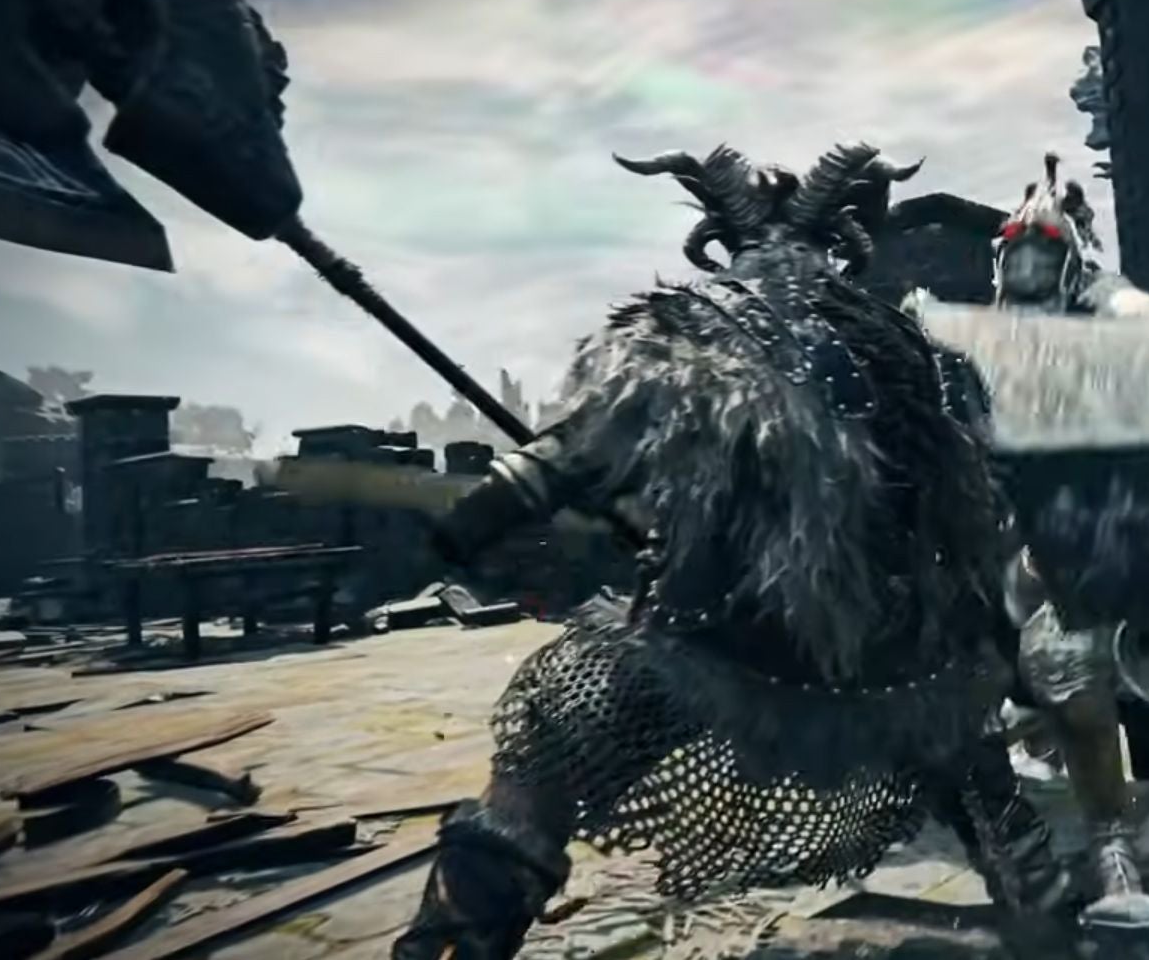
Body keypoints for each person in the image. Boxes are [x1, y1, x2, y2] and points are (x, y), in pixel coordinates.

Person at [392, 142, 1077, 960]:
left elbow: (578, 450)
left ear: (723, 243)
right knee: (982, 785)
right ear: (839, 248)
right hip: (912, 670)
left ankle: (453, 945)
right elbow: (987, 512)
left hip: (727, 650)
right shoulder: (924, 354)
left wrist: (474, 516)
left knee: (550, 739)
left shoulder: (693, 325)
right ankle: (1047, 925)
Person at [909, 153, 1149, 932]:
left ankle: (1112, 848)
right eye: (1014, 257)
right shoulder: (976, 336)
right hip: (984, 533)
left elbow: (1145, 321)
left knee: (1069, 660)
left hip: (1085, 529)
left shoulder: (1098, 316)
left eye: (1040, 257)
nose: (1025, 271)